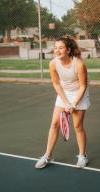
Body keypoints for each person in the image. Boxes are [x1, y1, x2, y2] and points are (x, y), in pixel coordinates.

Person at [35, 36, 90, 169]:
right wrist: (66, 103)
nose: (57, 50)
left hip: (79, 94)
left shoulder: (79, 64)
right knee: (54, 125)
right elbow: (56, 84)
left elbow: (83, 86)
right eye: (55, 47)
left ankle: (83, 156)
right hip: (64, 94)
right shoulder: (53, 63)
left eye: (61, 48)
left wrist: (74, 104)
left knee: (77, 127)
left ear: (68, 50)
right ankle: (48, 155)